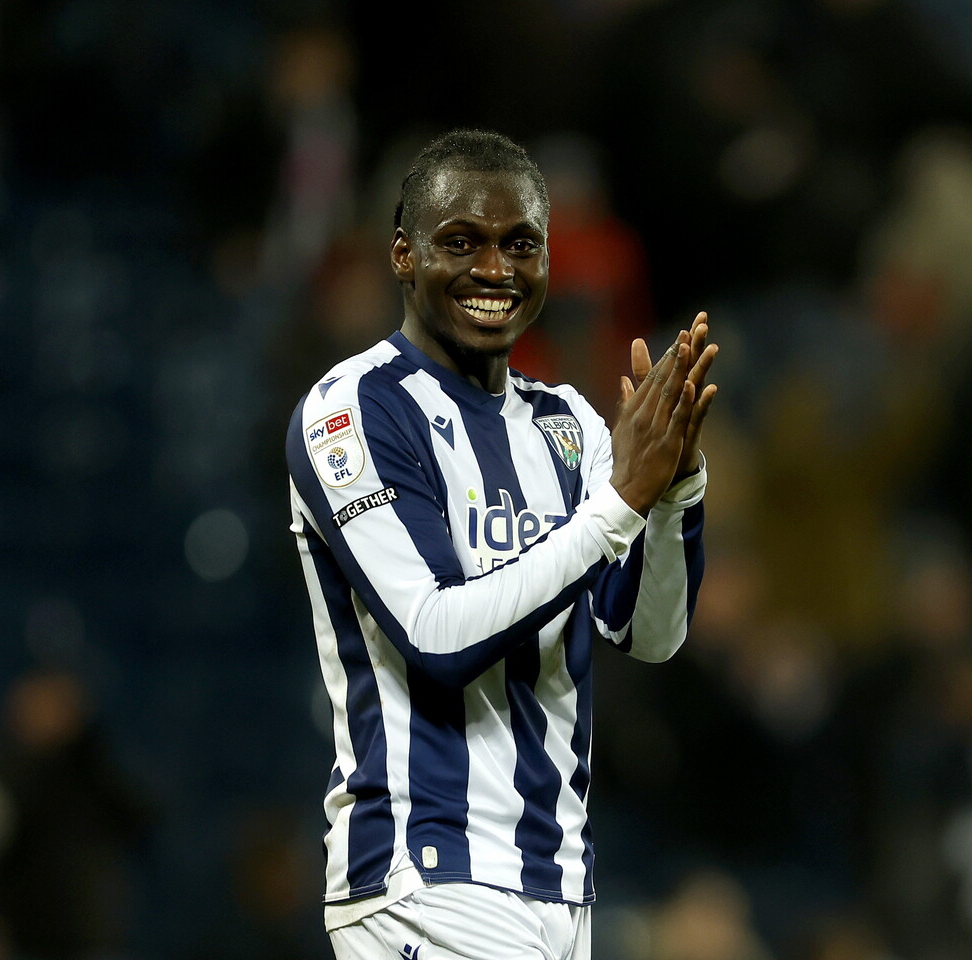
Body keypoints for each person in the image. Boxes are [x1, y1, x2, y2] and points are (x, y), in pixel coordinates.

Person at [285, 128, 717, 960]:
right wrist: (622, 500)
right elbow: (434, 637)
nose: (495, 270)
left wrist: (675, 493)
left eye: (521, 244)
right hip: (427, 875)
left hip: (558, 883)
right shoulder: (353, 411)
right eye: (463, 243)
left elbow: (650, 635)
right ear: (404, 256)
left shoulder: (566, 424)